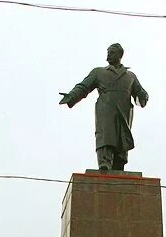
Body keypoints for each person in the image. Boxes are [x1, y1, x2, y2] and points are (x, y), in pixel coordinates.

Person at [59, 43, 149, 173]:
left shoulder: (130, 76)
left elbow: (140, 93)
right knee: (105, 136)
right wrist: (72, 96)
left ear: (119, 55)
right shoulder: (99, 72)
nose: (108, 56)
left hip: (123, 112)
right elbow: (83, 87)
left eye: (111, 53)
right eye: (107, 53)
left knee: (121, 139)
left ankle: (119, 165)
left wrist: (143, 96)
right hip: (106, 110)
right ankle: (104, 163)